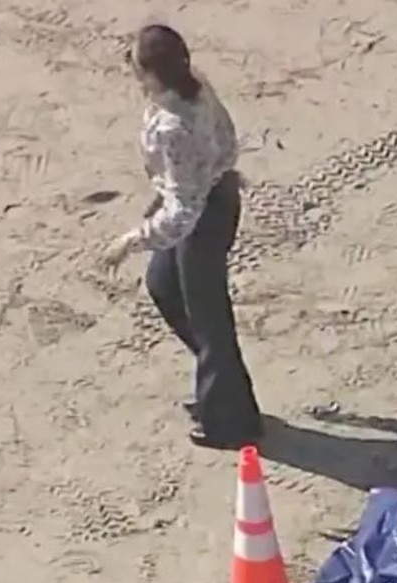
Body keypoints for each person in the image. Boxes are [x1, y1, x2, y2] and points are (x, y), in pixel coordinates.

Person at [101, 24, 262, 449]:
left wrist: (129, 241)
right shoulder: (195, 88)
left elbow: (183, 214)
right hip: (214, 196)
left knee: (210, 321)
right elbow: (223, 137)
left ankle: (231, 420)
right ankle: (223, 382)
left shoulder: (172, 125)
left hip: (203, 220)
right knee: (163, 286)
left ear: (153, 74)